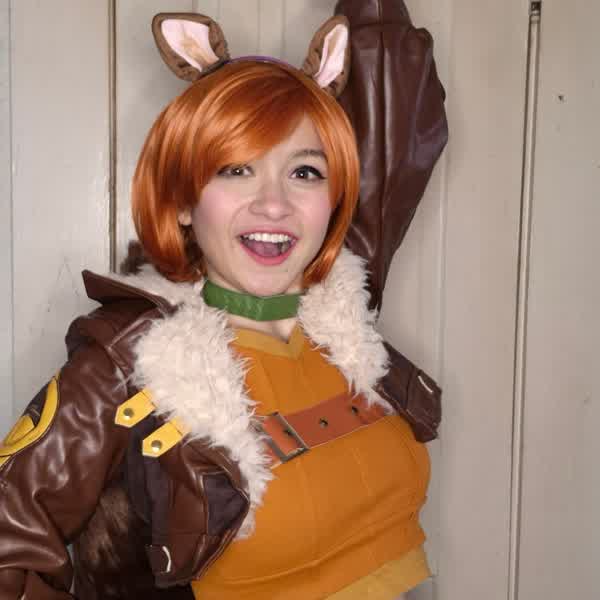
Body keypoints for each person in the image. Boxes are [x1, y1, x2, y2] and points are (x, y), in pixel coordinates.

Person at [0, 2, 447, 599]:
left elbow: (397, 102)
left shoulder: (346, 316)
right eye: (236, 170)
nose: (274, 204)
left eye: (305, 172)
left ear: (335, 199)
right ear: (183, 200)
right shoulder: (129, 362)